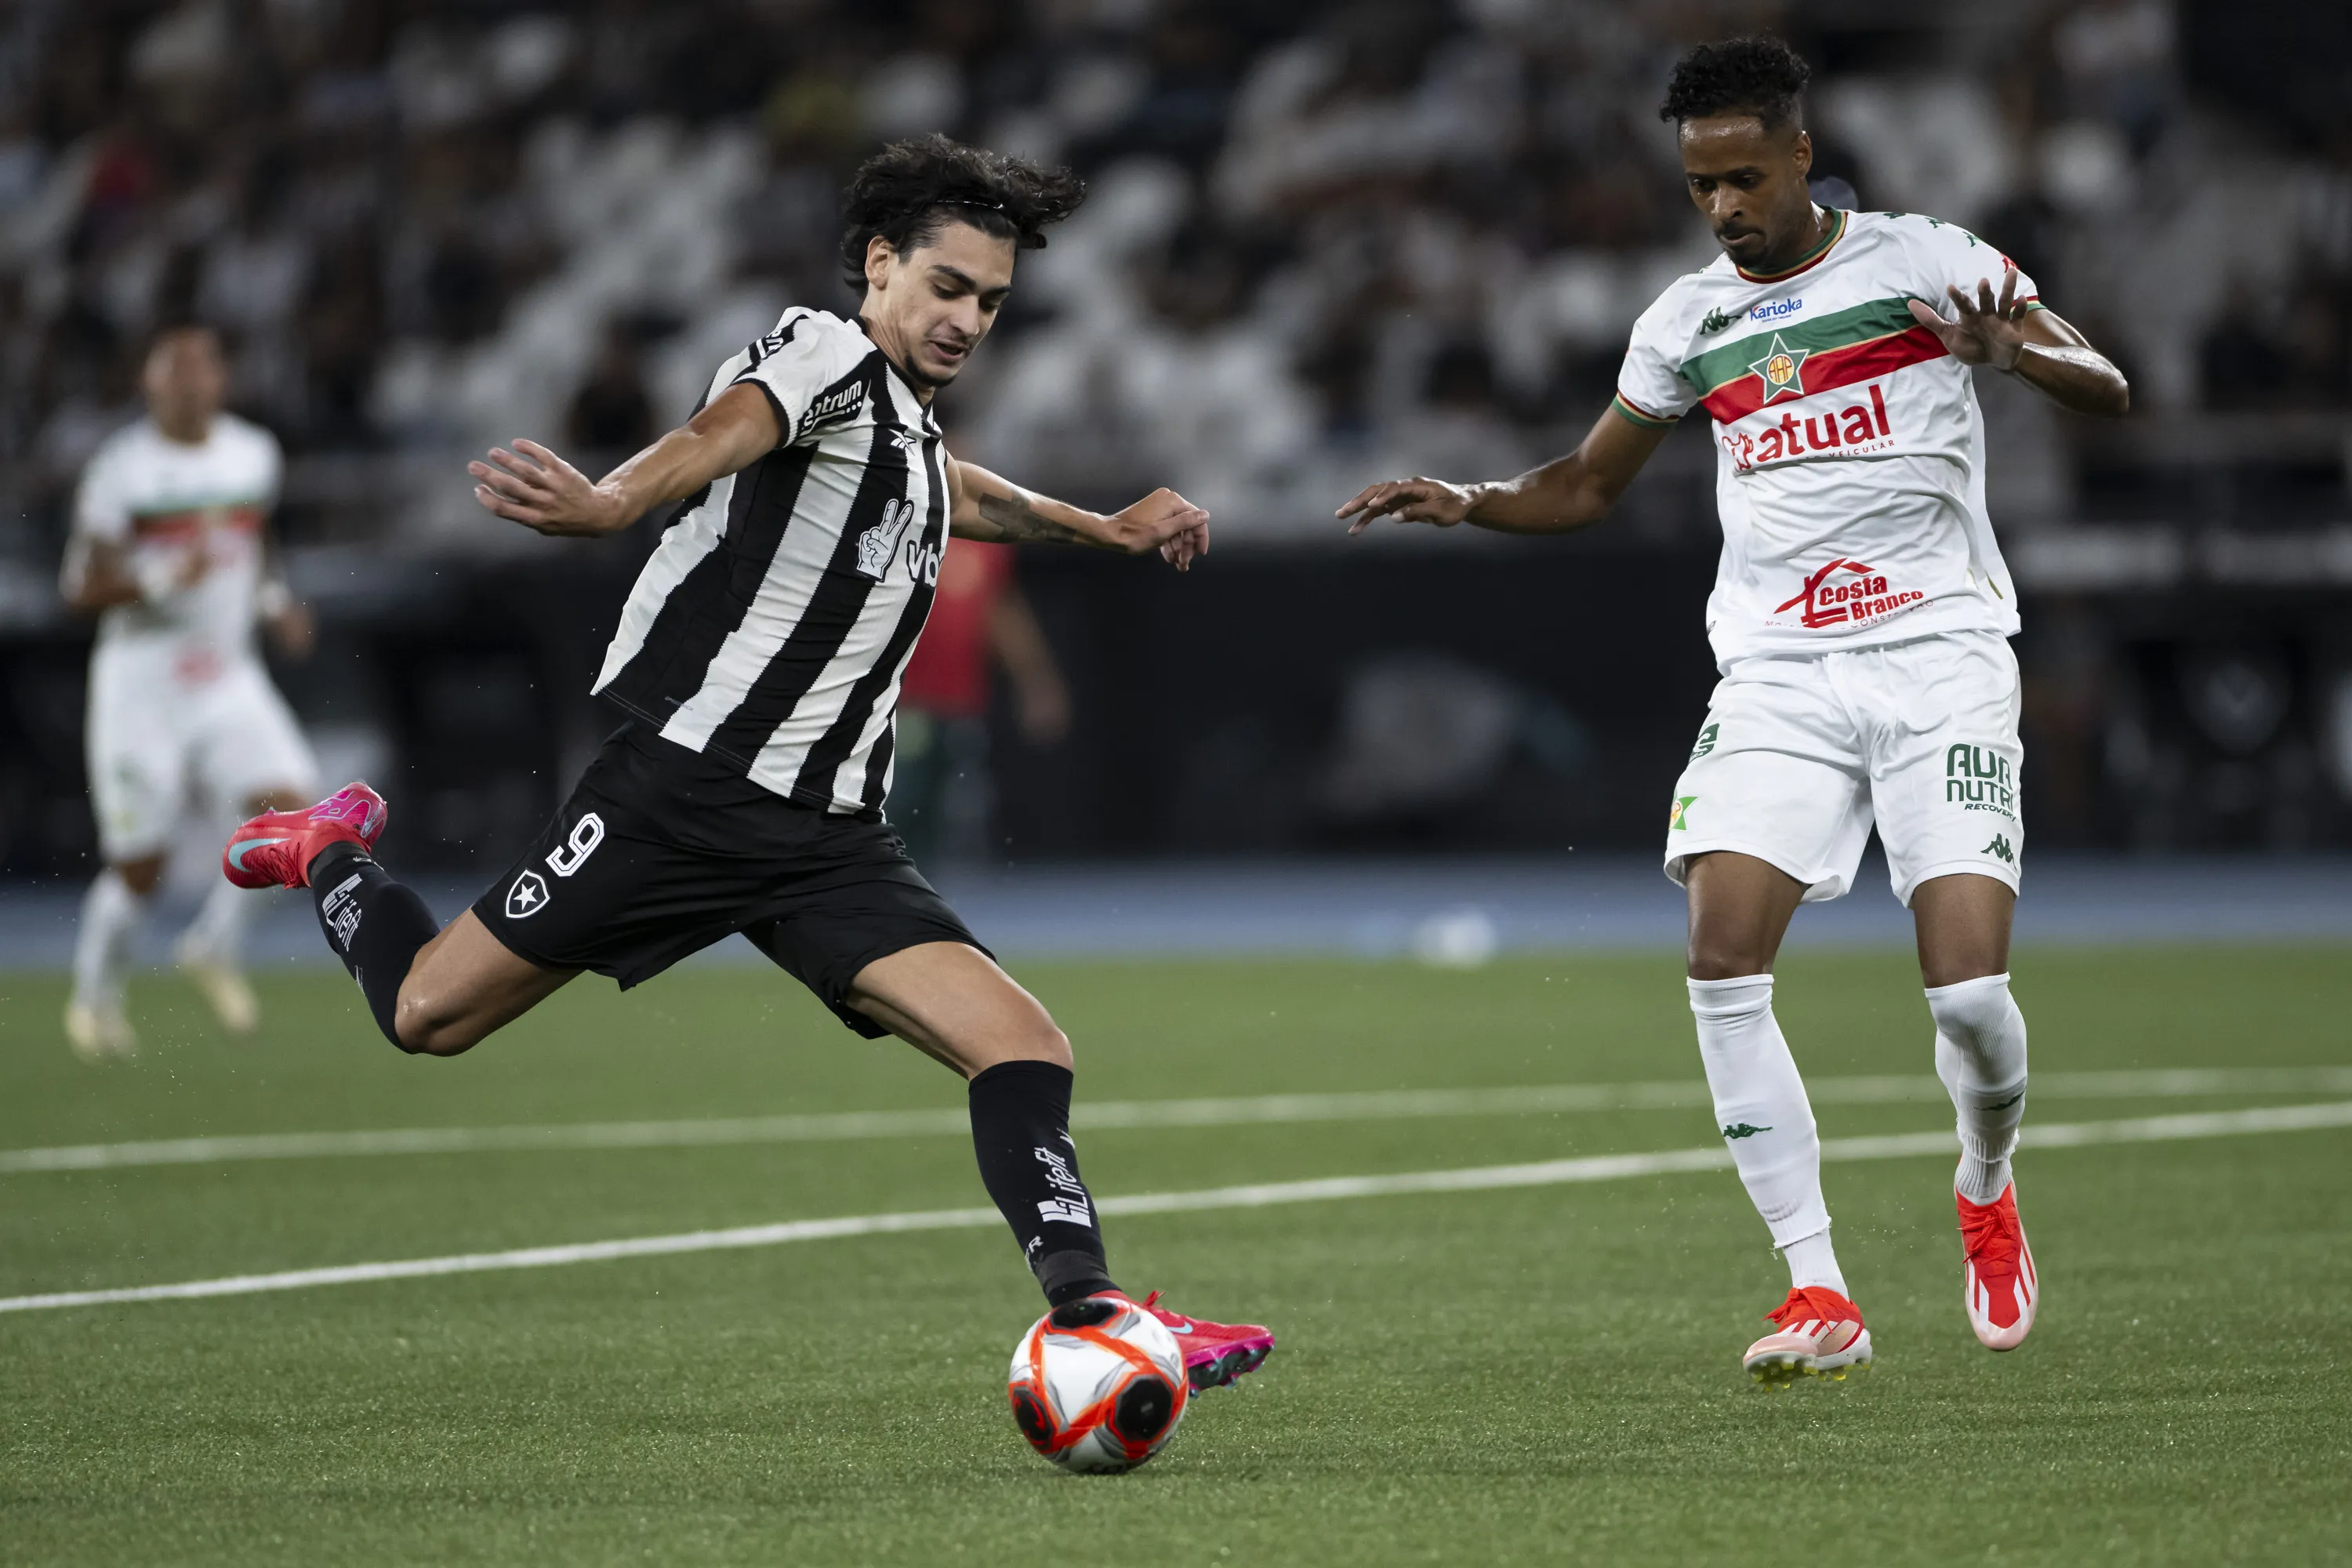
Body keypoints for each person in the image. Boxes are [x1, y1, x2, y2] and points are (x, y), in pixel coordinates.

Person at [219, 136, 1270, 1389]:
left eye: (990, 301)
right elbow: (728, 428)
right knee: (425, 1016)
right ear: (880, 266)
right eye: (946, 287)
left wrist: (1101, 526)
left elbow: (947, 487)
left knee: (1027, 1049)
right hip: (687, 796)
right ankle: (331, 850)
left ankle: (1099, 1318)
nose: (968, 319)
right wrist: (612, 502)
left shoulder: (904, 428)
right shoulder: (822, 352)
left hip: (827, 841)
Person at [1337, 37, 2130, 1386]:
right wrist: (1470, 502)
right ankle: (1819, 1289)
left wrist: (2017, 357)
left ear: (1803, 154)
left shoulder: (1927, 263)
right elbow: (1588, 486)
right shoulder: (1688, 324)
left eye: (1747, 178)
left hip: (1940, 661)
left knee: (1971, 1004)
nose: (1725, 208)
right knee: (1720, 958)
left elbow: (2106, 387)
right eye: (1703, 185)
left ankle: (1985, 1184)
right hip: (1779, 675)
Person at [60, 325, 318, 1059]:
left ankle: (211, 944)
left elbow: (256, 539)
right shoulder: (122, 471)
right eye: (174, 370)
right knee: (143, 865)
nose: (190, 382)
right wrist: (158, 578)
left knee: (295, 819)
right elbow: (78, 589)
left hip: (228, 675)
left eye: (203, 368)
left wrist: (273, 601)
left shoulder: (251, 453)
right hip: (141, 687)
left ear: (222, 380)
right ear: (149, 383)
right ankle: (95, 998)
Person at [889, 536, 1070, 867]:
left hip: (959, 706)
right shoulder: (904, 524)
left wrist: (1036, 682)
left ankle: (916, 898)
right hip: (902, 703)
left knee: (943, 809)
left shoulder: (988, 540)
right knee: (899, 802)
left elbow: (1001, 612)